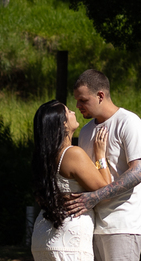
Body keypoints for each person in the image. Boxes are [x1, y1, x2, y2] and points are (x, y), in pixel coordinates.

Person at [64, 69, 141, 261]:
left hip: (123, 225)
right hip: (91, 226)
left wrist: (95, 197)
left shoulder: (129, 123)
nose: (78, 105)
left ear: (100, 96)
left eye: (83, 100)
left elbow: (138, 172)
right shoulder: (86, 131)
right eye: (77, 100)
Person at [31, 99, 113, 261]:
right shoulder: (72, 154)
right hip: (68, 240)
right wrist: (100, 156)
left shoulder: (42, 159)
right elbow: (106, 189)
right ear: (63, 124)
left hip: (42, 236)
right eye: (68, 112)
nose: (74, 112)